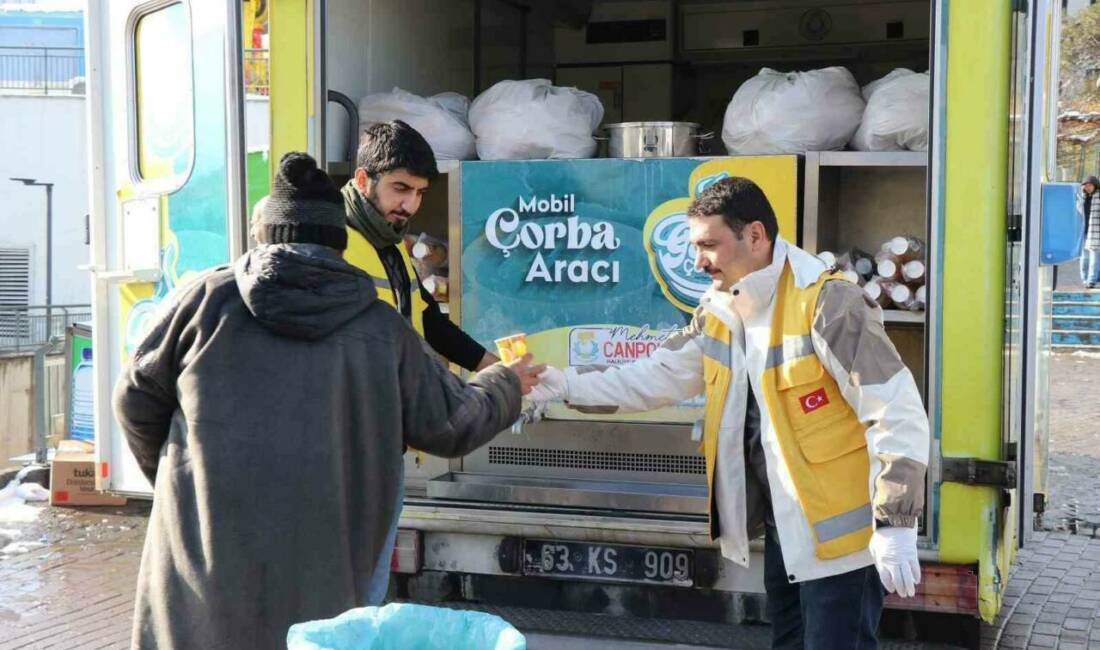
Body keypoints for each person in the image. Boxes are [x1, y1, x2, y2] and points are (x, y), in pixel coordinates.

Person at [113, 152, 543, 650]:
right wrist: (506, 383)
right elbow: (451, 423)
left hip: (201, 577)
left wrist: (180, 484)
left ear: (265, 235)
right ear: (338, 245)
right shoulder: (381, 328)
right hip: (327, 575)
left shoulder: (203, 304)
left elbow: (133, 400)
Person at [531, 177, 930, 649]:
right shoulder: (720, 309)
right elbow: (655, 376)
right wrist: (564, 384)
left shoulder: (826, 302)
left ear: (755, 236)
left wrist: (895, 522)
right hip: (789, 538)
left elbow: (895, 408)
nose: (699, 261)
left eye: (708, 245)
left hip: (843, 548)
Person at [342, 119, 497, 370]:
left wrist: (500, 370)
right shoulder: (329, 242)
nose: (410, 205)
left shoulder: (390, 239)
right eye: (400, 188)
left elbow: (429, 320)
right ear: (362, 180)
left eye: (420, 193)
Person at [1080, 175, 1100, 288]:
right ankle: (1084, 279)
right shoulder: (1083, 197)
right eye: (1085, 185)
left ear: (1095, 185)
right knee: (1084, 257)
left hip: (1096, 231)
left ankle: (1091, 280)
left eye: (1089, 185)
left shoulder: (1098, 196)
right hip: (1084, 231)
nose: (1087, 187)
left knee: (1094, 256)